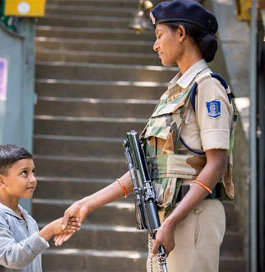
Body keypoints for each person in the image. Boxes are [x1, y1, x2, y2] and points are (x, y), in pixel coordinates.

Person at [54, 1, 238, 271]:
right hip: (165, 218)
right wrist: (86, 204)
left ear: (180, 33)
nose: (155, 45)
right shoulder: (173, 94)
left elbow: (216, 164)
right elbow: (147, 169)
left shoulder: (207, 88)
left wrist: (172, 222)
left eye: (159, 35)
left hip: (191, 217)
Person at [0, 144, 80, 272]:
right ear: (0, 181)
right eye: (24, 173)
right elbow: (13, 258)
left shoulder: (29, 220)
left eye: (33, 171)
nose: (33, 179)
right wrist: (49, 231)